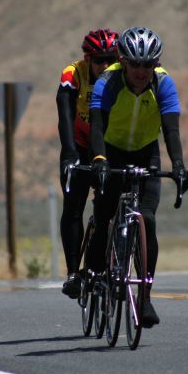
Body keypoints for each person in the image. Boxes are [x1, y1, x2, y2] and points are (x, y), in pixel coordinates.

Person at [87, 26, 188, 327]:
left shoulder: (163, 84)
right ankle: (97, 273)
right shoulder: (107, 82)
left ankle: (144, 298)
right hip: (112, 150)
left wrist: (180, 165)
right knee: (104, 213)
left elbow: (171, 131)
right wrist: (99, 160)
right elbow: (96, 126)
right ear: (123, 61)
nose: (141, 71)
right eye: (135, 64)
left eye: (148, 64)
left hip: (147, 152)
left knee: (148, 219)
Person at [56, 28, 119, 298]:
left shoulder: (122, 75)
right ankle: (73, 273)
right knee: (73, 206)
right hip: (80, 146)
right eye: (97, 60)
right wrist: (69, 153)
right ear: (87, 59)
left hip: (111, 146)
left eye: (109, 59)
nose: (104, 65)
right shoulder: (74, 74)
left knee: (113, 205)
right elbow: (65, 115)